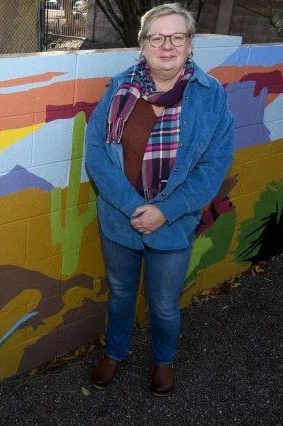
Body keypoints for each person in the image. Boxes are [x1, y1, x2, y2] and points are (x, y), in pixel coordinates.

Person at [85, 3, 234, 396]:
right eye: (157, 37)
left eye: (177, 37)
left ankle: (163, 360)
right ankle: (116, 353)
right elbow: (95, 152)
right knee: (120, 293)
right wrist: (134, 208)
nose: (167, 45)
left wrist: (164, 212)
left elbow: (214, 164)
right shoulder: (120, 87)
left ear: (189, 46)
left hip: (173, 225)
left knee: (165, 305)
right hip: (120, 220)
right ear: (143, 45)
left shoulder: (210, 95)